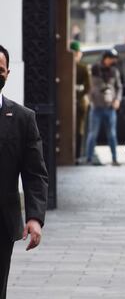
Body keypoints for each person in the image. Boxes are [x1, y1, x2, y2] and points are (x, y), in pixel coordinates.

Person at [0, 45, 48, 299]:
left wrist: (34, 217)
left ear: (7, 73)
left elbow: (35, 172)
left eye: (0, 69)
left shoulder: (22, 118)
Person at [85, 49, 123, 166]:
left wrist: (117, 100)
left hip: (110, 107)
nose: (113, 61)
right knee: (93, 134)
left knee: (112, 134)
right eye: (112, 58)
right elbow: (88, 86)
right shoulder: (94, 69)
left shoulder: (114, 71)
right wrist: (90, 99)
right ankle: (89, 159)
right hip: (96, 107)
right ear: (106, 58)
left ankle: (114, 159)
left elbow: (119, 87)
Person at [70, 41, 91, 163]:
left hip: (74, 102)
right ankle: (77, 155)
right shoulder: (83, 68)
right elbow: (88, 87)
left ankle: (74, 155)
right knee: (79, 128)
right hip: (80, 101)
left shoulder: (63, 65)